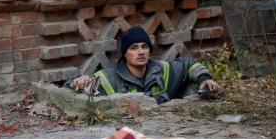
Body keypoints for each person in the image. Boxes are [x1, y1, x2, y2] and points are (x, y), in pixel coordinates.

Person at [69, 27, 221, 104]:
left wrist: (204, 78)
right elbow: (69, 89)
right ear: (125, 53)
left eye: (144, 47)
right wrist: (79, 81)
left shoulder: (163, 70)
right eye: (134, 48)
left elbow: (188, 64)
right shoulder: (108, 78)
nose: (141, 52)